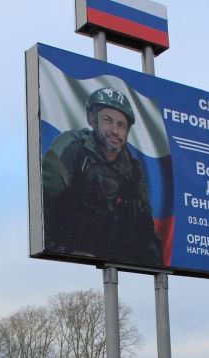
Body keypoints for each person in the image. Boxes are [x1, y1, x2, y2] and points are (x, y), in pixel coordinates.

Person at [42, 86, 163, 266]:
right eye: (108, 120)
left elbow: (146, 231)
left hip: (117, 264)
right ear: (93, 120)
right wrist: (64, 251)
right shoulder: (73, 148)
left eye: (121, 125)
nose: (115, 130)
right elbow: (42, 203)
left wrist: (155, 270)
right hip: (69, 263)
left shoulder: (132, 169)